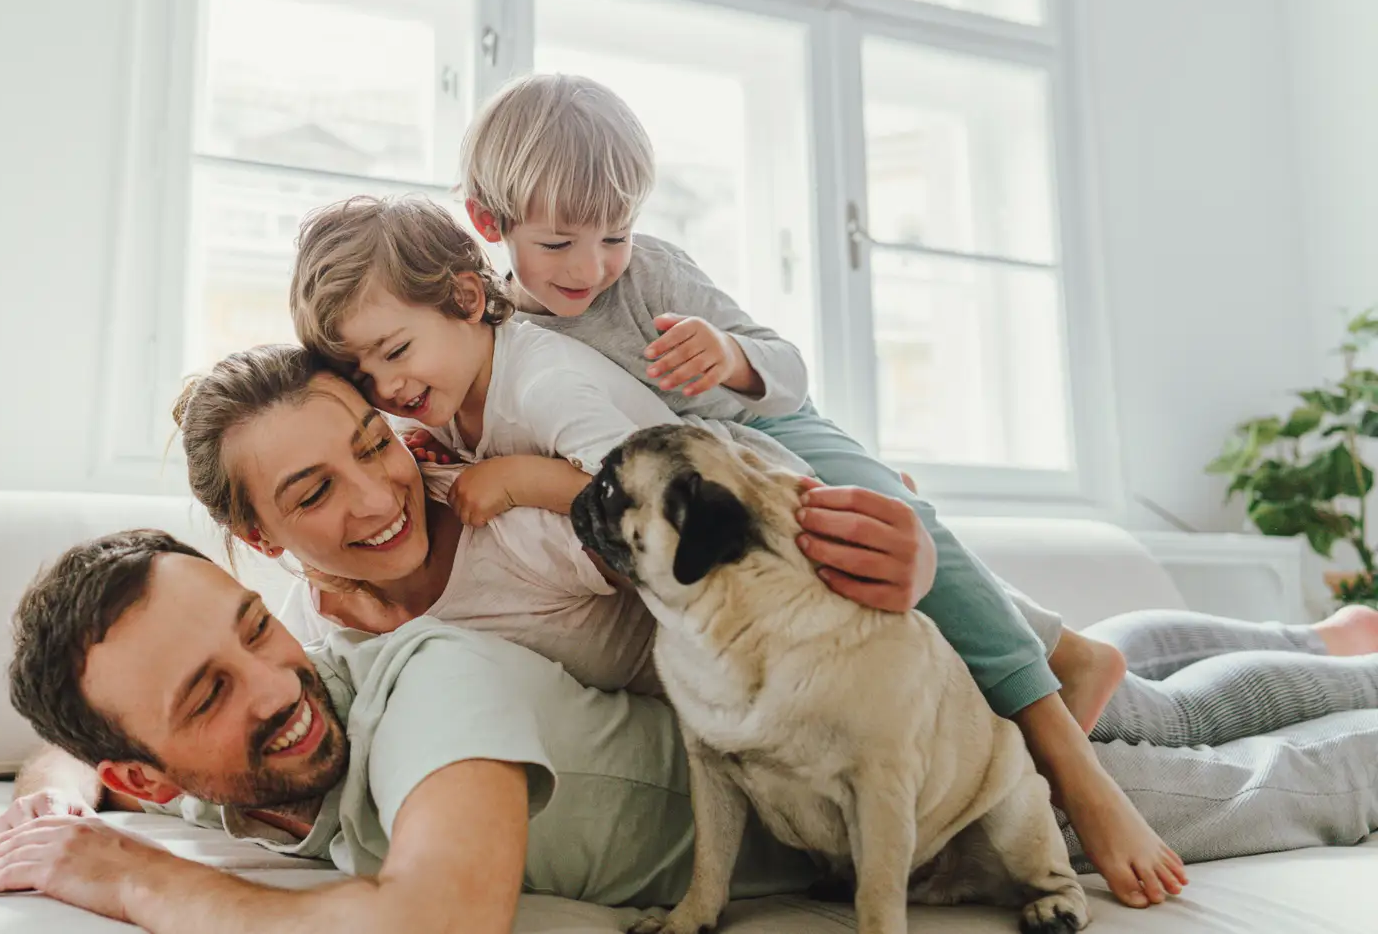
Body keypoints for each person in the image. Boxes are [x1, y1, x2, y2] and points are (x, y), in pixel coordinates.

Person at [286, 184, 1378, 905]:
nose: (389, 398)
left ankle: (1335, 664)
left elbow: (665, 484)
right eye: (367, 383)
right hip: (802, 664)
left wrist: (521, 480)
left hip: (846, 612)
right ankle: (1322, 639)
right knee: (1137, 684)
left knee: (1149, 728)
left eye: (393, 363)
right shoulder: (429, 443)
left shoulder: (539, 387)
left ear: (472, 299)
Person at [0, 527, 1378, 933]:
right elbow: (73, 759)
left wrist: (131, 874)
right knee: (1164, 684)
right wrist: (64, 792)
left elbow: (439, 921)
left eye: (254, 629)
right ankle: (1321, 638)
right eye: (207, 693)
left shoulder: (422, 688)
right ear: (148, 766)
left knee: (1271, 781)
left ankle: (1326, 669)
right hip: (850, 738)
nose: (273, 684)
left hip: (911, 779)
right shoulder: (223, 780)